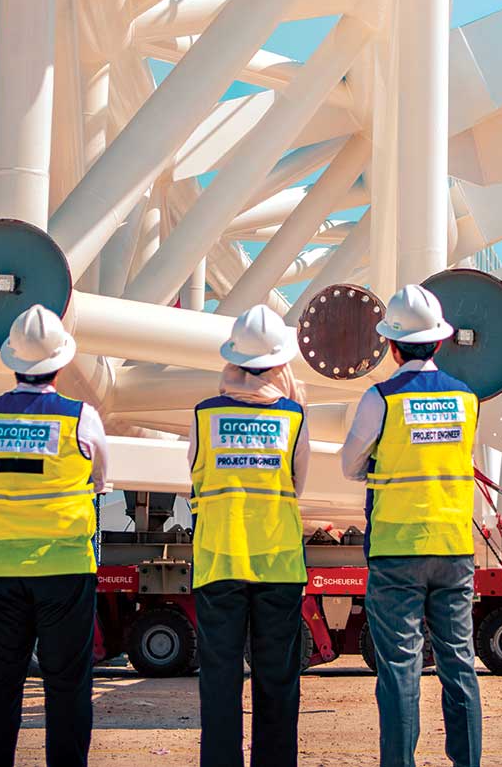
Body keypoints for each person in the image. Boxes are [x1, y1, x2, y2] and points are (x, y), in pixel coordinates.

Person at [338, 283, 481, 767]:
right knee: (459, 664)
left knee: (400, 666)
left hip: (397, 549)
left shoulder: (381, 398)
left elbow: (350, 464)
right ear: (439, 341)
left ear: (392, 345)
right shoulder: (467, 400)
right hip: (454, 546)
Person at [0, 304, 109, 767]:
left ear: (11, 360)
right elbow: (100, 480)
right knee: (67, 685)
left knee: (1, 682)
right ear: (62, 360)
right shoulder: (79, 418)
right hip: (64, 568)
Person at [187, 304, 312, 767]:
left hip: (219, 561)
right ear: (279, 363)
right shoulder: (294, 418)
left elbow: (196, 477)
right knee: (277, 680)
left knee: (219, 680)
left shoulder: (204, 416)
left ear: (233, 360)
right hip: (277, 563)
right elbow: (297, 485)